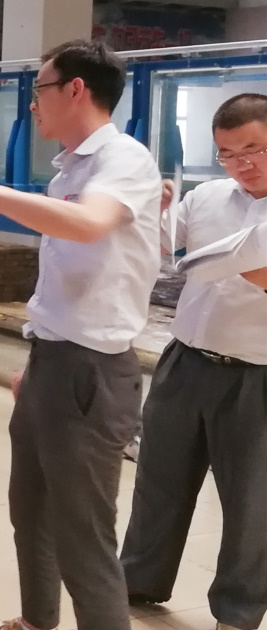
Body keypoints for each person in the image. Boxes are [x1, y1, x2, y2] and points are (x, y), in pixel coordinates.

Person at [0, 39, 161, 630]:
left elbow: (88, 225)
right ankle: (37, 622)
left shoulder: (123, 159)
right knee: (29, 510)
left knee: (83, 537)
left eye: (40, 90)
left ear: (76, 89)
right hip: (53, 359)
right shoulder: (70, 168)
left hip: (91, 371)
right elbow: (67, 274)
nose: (33, 104)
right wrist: (39, 357)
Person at [120, 92, 267, 630]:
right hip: (186, 359)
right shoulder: (206, 197)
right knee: (159, 479)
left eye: (253, 149)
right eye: (228, 154)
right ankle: (137, 580)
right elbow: (161, 246)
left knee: (252, 502)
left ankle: (238, 611)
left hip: (256, 374)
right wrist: (153, 208)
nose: (241, 164)